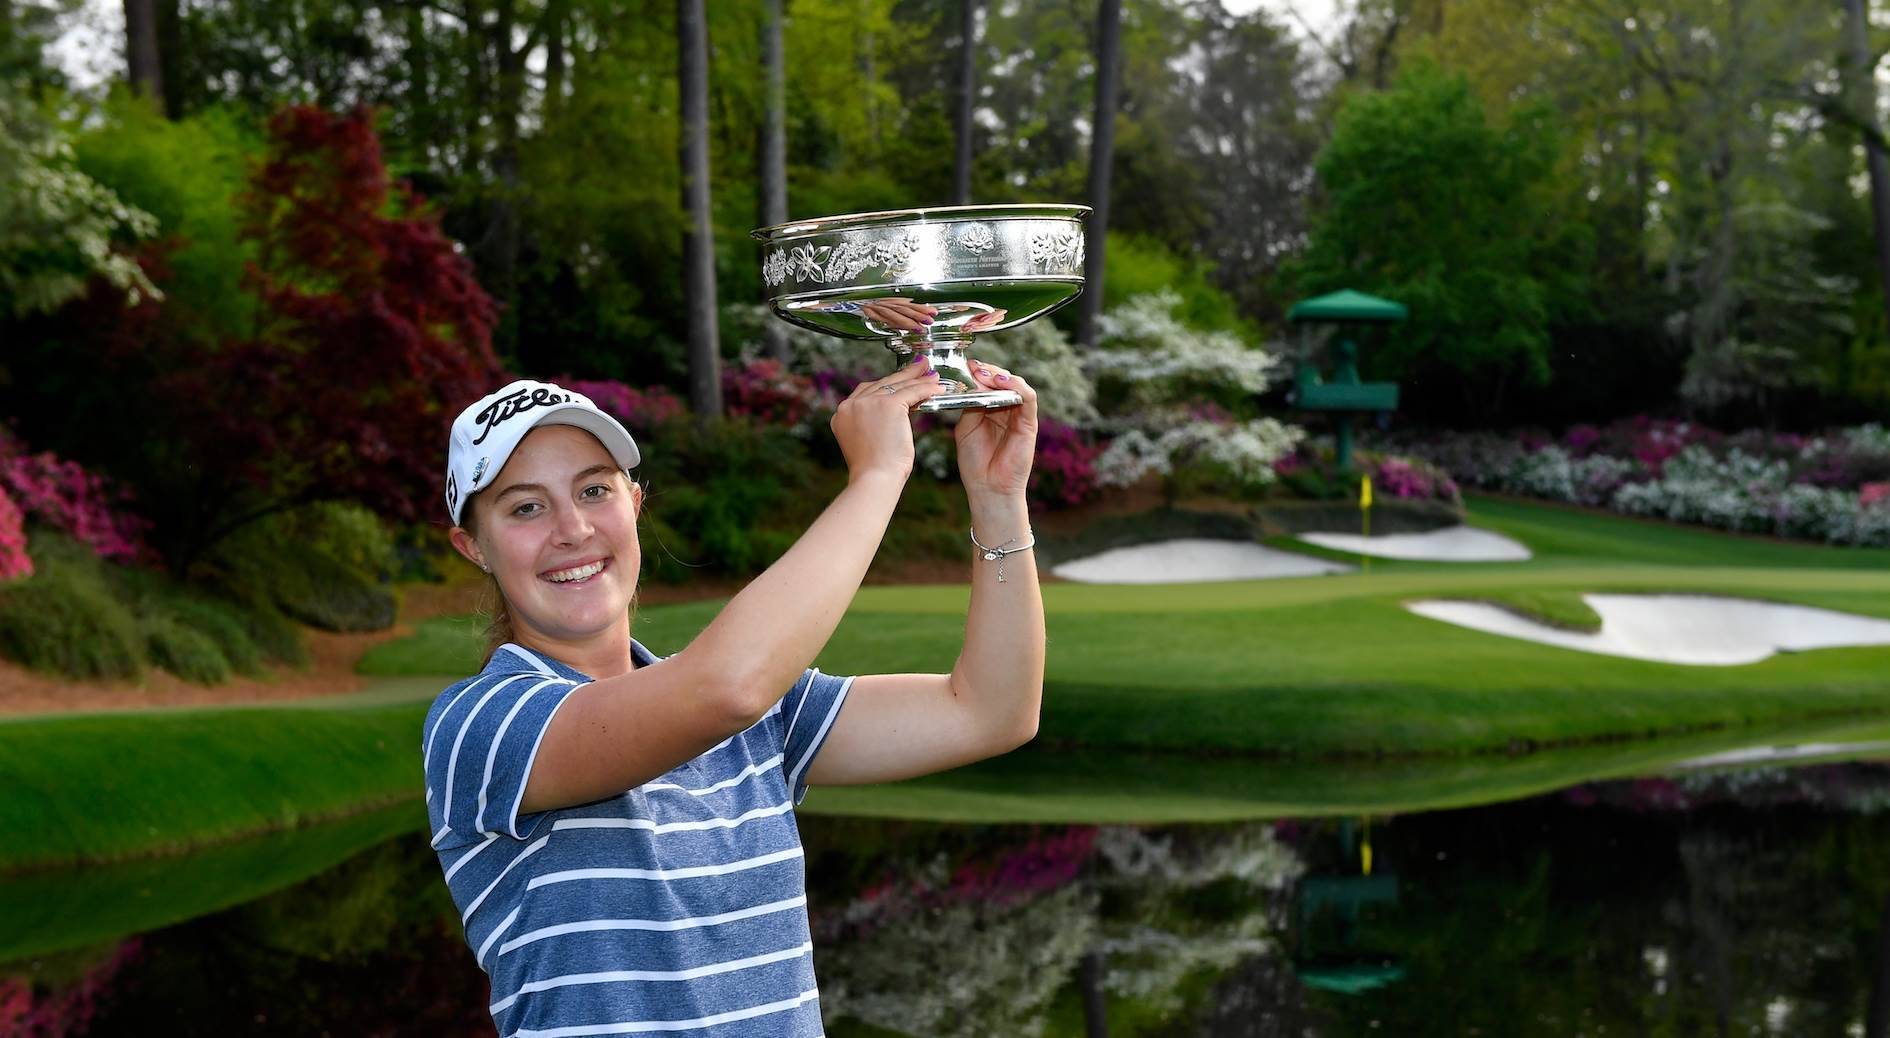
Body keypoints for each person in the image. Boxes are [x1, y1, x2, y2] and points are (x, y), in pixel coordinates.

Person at [421, 350, 1045, 1037]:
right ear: (473, 547)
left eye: (594, 491)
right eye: (526, 508)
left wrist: (998, 499)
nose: (572, 529)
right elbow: (726, 688)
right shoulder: (481, 725)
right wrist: (876, 474)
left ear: (634, 503)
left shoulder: (761, 713)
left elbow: (991, 712)